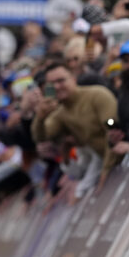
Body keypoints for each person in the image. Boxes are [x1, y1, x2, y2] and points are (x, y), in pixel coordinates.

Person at [31, 60, 117, 200]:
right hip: (102, 165)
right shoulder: (60, 113)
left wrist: (105, 172)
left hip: (124, 162)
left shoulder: (97, 95)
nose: (57, 86)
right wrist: (40, 118)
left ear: (73, 79)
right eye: (52, 84)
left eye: (61, 80)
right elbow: (41, 137)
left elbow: (113, 130)